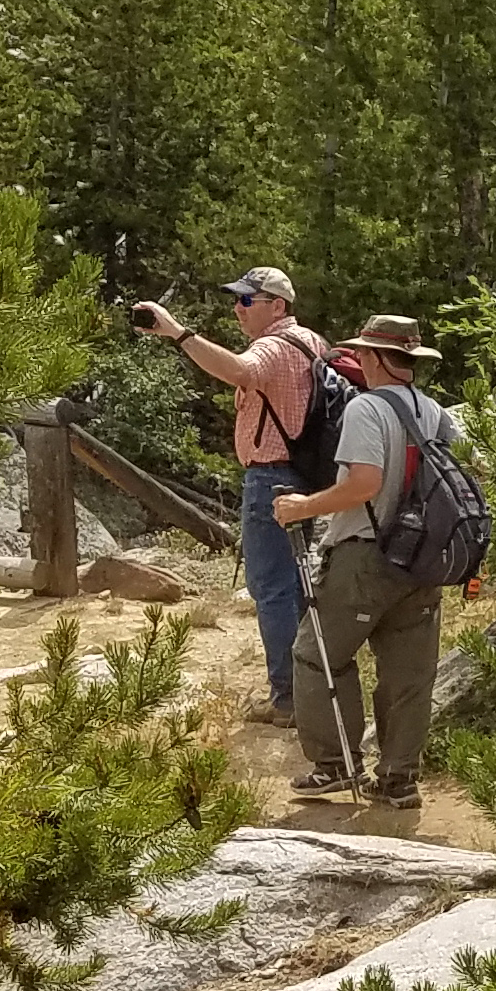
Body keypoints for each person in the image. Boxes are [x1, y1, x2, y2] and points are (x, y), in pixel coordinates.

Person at [269, 313, 459, 812]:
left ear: (373, 357)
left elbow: (364, 485)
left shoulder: (366, 409)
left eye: (362, 353)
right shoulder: (437, 413)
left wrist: (300, 507)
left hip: (364, 554)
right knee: (408, 674)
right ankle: (399, 780)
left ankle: (334, 764)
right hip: (425, 561)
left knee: (316, 656)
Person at [130, 265, 325, 722]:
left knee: (271, 589)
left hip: (270, 480)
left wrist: (178, 333)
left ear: (277, 306)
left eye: (245, 301)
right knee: (295, 587)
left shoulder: (274, 347)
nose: (237, 310)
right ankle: (309, 690)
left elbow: (240, 371)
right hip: (302, 477)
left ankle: (289, 699)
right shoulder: (312, 342)